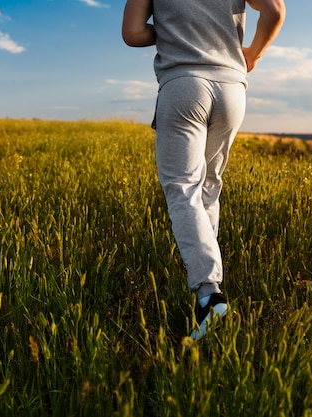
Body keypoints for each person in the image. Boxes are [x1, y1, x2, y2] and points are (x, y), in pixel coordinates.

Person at [122, 0, 285, 340]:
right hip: (232, 88)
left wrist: (171, 29)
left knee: (182, 186)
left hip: (184, 84)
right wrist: (252, 54)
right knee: (208, 185)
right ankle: (210, 304)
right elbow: (274, 10)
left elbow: (133, 32)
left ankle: (210, 296)